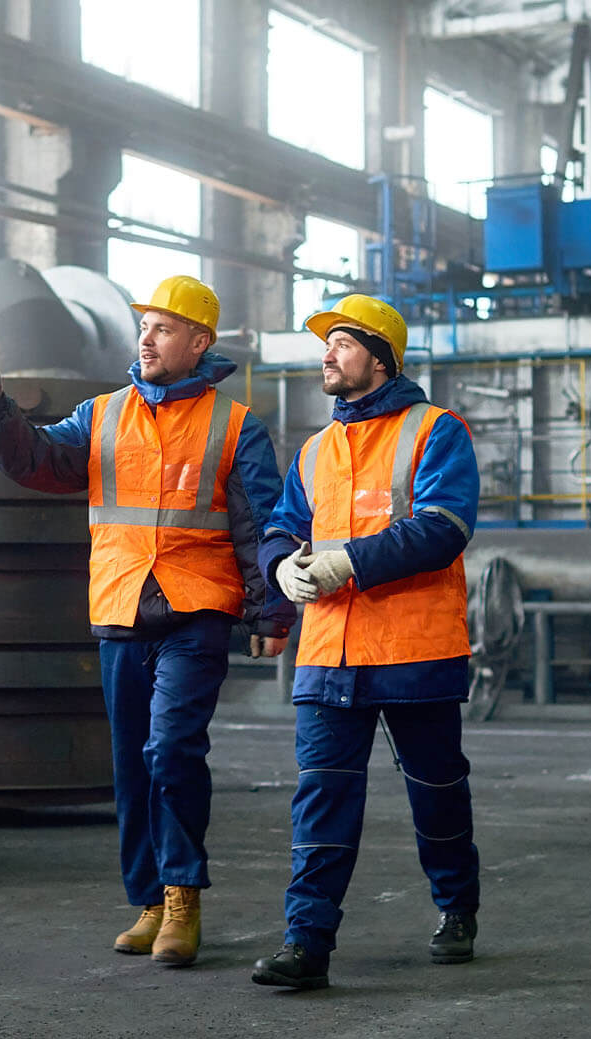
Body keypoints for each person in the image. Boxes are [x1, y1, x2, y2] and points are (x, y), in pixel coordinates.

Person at [0, 274, 295, 969]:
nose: (146, 337)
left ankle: (182, 895)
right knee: (131, 765)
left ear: (199, 343)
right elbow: (40, 461)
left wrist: (272, 611)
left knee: (171, 749)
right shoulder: (103, 414)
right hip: (120, 607)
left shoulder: (236, 427)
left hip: (195, 608)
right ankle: (147, 902)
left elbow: (261, 524)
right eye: (143, 325)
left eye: (164, 328)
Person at [248, 294, 482, 992]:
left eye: (342, 343)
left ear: (380, 358)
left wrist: (347, 559)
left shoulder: (436, 432)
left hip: (414, 649)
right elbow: (281, 527)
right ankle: (306, 941)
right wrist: (280, 566)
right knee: (321, 799)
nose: (327, 354)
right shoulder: (316, 450)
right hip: (328, 655)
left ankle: (457, 907)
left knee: (437, 793)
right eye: (327, 343)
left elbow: (445, 526)